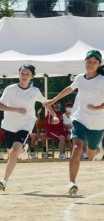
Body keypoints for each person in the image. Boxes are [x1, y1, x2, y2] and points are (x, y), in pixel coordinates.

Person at [44, 50, 104, 196]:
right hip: (79, 118)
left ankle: (97, 150)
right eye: (88, 61)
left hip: (97, 122)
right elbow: (69, 89)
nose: (91, 64)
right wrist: (53, 101)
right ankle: (72, 182)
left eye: (94, 62)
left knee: (90, 155)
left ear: (99, 64)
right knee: (77, 147)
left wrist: (97, 107)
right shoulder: (79, 78)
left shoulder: (102, 80)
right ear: (84, 62)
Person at [0, 64, 58, 191]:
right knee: (12, 152)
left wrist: (54, 116)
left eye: (27, 74)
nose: (24, 76)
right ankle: (23, 151)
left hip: (25, 125)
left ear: (32, 76)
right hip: (9, 125)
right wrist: (16, 110)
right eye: (22, 74)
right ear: (19, 74)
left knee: (13, 153)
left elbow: (45, 103)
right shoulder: (10, 89)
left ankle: (4, 180)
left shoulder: (35, 91)